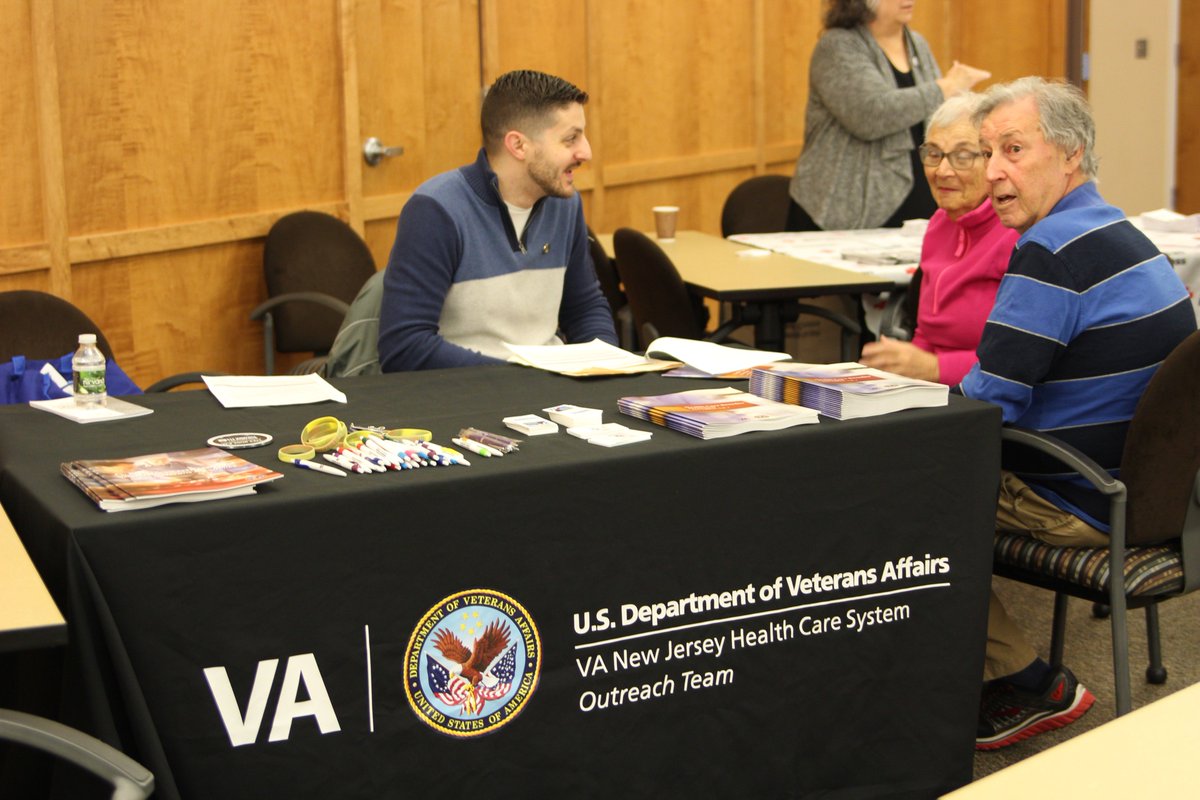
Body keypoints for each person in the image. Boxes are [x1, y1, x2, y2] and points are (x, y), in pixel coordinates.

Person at [961, 77, 1196, 750]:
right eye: (987, 152)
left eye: (1013, 149)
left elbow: (984, 406)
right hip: (1161, 501)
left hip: (1077, 498)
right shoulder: (1121, 232)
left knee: (895, 498)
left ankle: (1025, 681)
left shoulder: (1050, 252)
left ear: (1071, 155)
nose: (993, 171)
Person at [378, 70, 617, 371]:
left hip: (549, 387)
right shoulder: (437, 210)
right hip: (471, 391)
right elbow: (404, 347)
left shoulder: (565, 204)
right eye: (571, 139)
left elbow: (584, 308)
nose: (586, 152)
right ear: (518, 145)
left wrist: (608, 367)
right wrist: (519, 380)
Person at [786, 0, 990, 232]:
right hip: (844, 206)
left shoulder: (917, 44)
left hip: (916, 200)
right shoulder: (837, 46)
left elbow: (935, 117)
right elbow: (870, 115)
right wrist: (945, 88)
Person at [858, 93, 1017, 385]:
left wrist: (934, 368)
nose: (942, 171)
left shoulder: (1016, 233)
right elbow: (927, 335)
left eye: (962, 156)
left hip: (989, 397)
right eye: (934, 154)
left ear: (991, 159)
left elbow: (1019, 361)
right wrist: (900, 366)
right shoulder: (940, 225)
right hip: (935, 391)